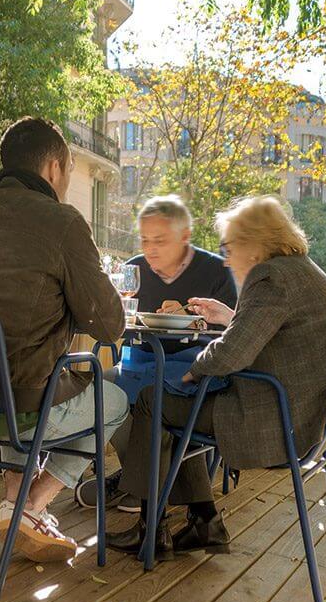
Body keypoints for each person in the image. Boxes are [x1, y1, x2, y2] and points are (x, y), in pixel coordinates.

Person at [105, 196, 326, 557]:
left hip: (277, 418)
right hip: (308, 412)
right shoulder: (300, 270)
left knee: (153, 400)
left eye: (229, 246)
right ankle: (204, 521)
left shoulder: (270, 277)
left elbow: (231, 354)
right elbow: (261, 333)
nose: (226, 257)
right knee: (178, 402)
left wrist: (194, 369)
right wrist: (230, 316)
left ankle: (151, 531)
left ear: (253, 245)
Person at [0, 117, 128, 563]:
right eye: (71, 170)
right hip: (12, 411)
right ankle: (30, 507)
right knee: (112, 401)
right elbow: (110, 325)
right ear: (54, 168)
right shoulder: (62, 222)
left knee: (15, 371)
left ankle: (15, 503)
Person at [75, 195, 237, 513]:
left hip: (192, 368)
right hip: (139, 362)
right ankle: (142, 480)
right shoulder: (133, 269)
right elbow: (118, 318)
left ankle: (141, 486)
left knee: (150, 396)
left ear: (185, 237)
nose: (150, 249)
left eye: (160, 240)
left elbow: (231, 332)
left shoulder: (216, 271)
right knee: (102, 390)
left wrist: (190, 317)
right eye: (145, 239)